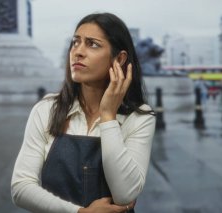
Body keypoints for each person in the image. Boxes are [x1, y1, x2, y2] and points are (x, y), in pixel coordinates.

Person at [11, 12, 156, 213]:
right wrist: (80, 212)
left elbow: (125, 194)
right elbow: (21, 188)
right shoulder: (46, 110)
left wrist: (108, 117)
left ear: (119, 59)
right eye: (75, 42)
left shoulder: (139, 117)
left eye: (92, 44)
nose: (78, 52)